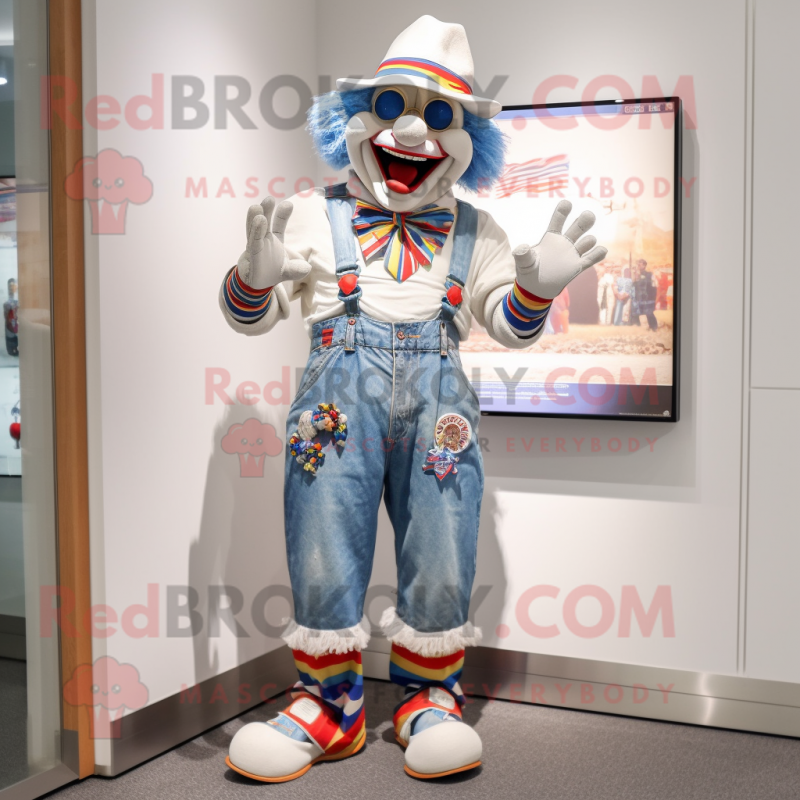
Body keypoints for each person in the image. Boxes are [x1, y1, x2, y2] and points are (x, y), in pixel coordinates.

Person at [219, 16, 607, 783]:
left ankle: (429, 697)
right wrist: (255, 276)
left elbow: (508, 324)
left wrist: (536, 288)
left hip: (441, 416)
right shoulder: (307, 213)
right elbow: (247, 316)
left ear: (468, 141)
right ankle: (329, 704)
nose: (411, 131)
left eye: (438, 116)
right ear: (352, 119)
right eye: (392, 105)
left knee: (442, 547)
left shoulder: (480, 229)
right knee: (323, 543)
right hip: (334, 417)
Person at [630, 258, 658, 331]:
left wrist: (653, 295)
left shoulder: (649, 274)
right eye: (638, 264)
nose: (638, 266)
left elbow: (655, 284)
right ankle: (637, 327)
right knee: (636, 313)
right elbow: (633, 283)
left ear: (644, 265)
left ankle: (654, 327)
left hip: (648, 297)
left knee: (649, 313)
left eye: (640, 264)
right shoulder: (636, 274)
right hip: (639, 297)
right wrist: (635, 274)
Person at [3, 278, 18, 357]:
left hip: (18, 333)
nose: (11, 288)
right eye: (10, 286)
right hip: (10, 332)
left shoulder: (19, 302)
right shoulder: (6, 304)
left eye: (13, 286)